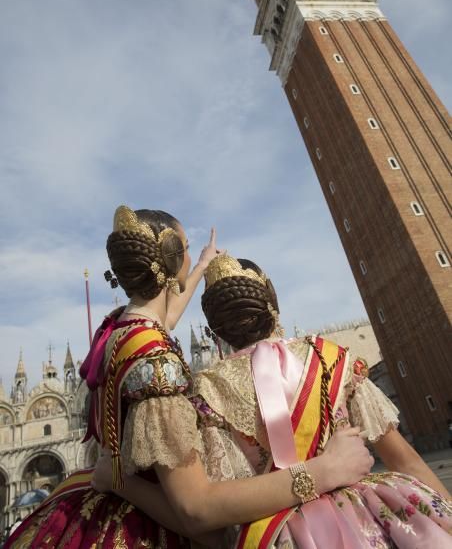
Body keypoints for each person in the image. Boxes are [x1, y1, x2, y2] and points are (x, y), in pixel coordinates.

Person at [5, 208, 374, 548]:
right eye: (184, 247)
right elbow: (198, 513)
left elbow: (162, 317)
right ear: (169, 258)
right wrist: (323, 470)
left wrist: (200, 266)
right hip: (145, 522)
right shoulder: (157, 363)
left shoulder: (120, 331)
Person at [93, 253, 452, 548]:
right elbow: (408, 462)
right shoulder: (333, 359)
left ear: (215, 330)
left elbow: (207, 525)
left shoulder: (200, 393)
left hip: (281, 535)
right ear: (272, 305)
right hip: (385, 519)